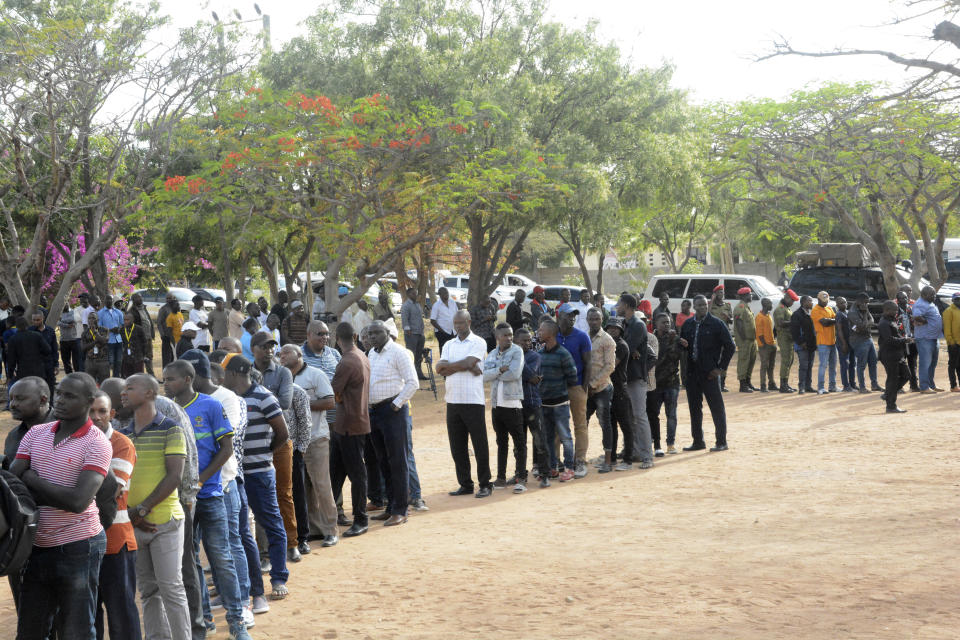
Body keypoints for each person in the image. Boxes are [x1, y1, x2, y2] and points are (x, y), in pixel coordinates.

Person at [11, 372, 111, 640]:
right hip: (37, 545)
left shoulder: (97, 442)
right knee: (30, 630)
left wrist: (32, 479)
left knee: (76, 630)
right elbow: (12, 482)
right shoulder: (36, 433)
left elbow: (78, 501)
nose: (61, 401)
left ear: (89, 401)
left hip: (79, 545)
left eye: (70, 396)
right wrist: (48, 491)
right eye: (60, 394)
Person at [162, 358, 252, 640]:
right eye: (164, 380)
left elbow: (226, 449)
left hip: (211, 494)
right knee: (189, 561)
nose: (166, 385)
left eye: (170, 380)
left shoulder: (211, 406)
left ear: (188, 379)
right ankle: (204, 620)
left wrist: (200, 481)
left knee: (221, 557)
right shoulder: (167, 412)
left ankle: (236, 620)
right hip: (180, 500)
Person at [117, 374, 192, 640]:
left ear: (149, 393)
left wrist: (142, 510)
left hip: (164, 521)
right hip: (133, 522)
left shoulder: (170, 428)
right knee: (148, 590)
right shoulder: (122, 434)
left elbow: (174, 476)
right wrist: (131, 515)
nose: (123, 393)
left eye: (130, 387)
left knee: (171, 588)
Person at [221, 354, 291, 600]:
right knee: (240, 531)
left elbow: (283, 433)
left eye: (223, 373)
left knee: (271, 523)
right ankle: (247, 583)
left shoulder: (263, 397)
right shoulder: (228, 399)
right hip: (236, 475)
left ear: (233, 374)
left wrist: (265, 453)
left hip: (259, 472)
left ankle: (279, 576)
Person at [88, 391, 142, 640]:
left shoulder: (121, 443)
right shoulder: (78, 441)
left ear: (112, 414)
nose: (96, 416)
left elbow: (112, 489)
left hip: (117, 542)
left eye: (102, 411)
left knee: (121, 614)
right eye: (91, 411)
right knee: (89, 615)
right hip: (84, 542)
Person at [278, 344, 339, 549]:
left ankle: (331, 530)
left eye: (287, 352)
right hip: (292, 444)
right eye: (281, 353)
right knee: (303, 489)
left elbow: (330, 402)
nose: (282, 355)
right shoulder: (281, 377)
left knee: (322, 485)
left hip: (316, 438)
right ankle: (314, 529)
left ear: (299, 354)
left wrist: (300, 403)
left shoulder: (316, 374)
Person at [365, 321, 418, 525]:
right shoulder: (371, 354)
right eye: (370, 334)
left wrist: (396, 405)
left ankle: (401, 510)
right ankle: (390, 506)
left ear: (388, 333)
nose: (373, 337)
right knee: (383, 461)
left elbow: (412, 382)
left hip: (393, 411)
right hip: (374, 412)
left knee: (398, 460)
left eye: (377, 333)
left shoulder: (398, 352)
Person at [435, 310, 492, 497]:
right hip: (452, 400)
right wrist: (465, 367)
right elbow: (439, 368)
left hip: (473, 400)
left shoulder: (478, 341)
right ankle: (465, 484)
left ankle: (485, 484)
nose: (458, 326)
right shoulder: (449, 344)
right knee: (457, 447)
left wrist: (452, 367)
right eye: (455, 323)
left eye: (461, 322)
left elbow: (468, 363)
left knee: (479, 444)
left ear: (469, 322)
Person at [329, 323, 372, 537]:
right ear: (354, 336)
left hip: (349, 425)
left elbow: (332, 393)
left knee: (355, 473)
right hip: (351, 422)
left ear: (337, 339)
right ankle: (328, 519)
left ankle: (361, 518)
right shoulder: (362, 356)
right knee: (336, 473)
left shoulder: (346, 361)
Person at [678, 295, 735, 452]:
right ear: (694, 307)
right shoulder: (688, 324)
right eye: (699, 305)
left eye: (704, 305)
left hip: (710, 373)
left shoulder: (717, 324)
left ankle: (721, 442)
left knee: (716, 408)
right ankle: (698, 441)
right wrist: (681, 344)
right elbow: (683, 347)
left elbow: (730, 346)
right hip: (692, 373)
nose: (702, 307)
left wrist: (720, 368)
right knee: (694, 409)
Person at [483, 323, 527, 492]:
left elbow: (515, 374)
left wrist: (495, 372)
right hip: (496, 405)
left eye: (510, 335)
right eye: (505, 335)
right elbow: (483, 376)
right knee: (501, 442)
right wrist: (500, 370)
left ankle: (521, 478)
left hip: (513, 403)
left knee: (519, 442)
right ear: (497, 337)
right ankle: (501, 478)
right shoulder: (493, 353)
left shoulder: (517, 351)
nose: (509, 338)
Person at [535, 320, 578, 481]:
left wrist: (558, 387)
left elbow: (572, 377)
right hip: (544, 403)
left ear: (551, 334)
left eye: (541, 330)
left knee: (565, 436)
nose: (538, 332)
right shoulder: (539, 354)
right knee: (548, 438)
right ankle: (552, 468)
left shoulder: (563, 354)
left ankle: (569, 469)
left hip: (560, 404)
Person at [617, 294, 654, 469]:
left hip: (636, 376)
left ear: (626, 305)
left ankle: (647, 456)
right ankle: (635, 451)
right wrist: (629, 351)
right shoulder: (624, 323)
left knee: (639, 416)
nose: (617, 306)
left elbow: (624, 348)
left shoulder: (638, 325)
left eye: (619, 304)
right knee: (631, 417)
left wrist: (630, 351)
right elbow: (625, 347)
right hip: (626, 376)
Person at [555, 302, 592, 477]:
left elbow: (588, 363)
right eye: (568, 315)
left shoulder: (582, 336)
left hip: (576, 386)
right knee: (556, 425)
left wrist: (583, 387)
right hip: (556, 388)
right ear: (558, 316)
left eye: (573, 315)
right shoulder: (553, 335)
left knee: (580, 425)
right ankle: (556, 462)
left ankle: (580, 461)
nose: (572, 318)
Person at [516, 328, 550, 488]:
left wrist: (515, 361)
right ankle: (520, 475)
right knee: (519, 443)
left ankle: (545, 474)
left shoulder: (535, 356)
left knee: (539, 440)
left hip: (532, 403)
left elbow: (530, 376)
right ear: (515, 341)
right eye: (524, 340)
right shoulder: (511, 355)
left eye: (529, 340)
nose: (528, 343)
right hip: (515, 404)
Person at [585, 308, 617, 468]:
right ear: (587, 320)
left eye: (597, 319)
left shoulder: (607, 340)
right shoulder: (583, 337)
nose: (593, 322)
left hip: (602, 388)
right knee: (581, 423)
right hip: (585, 388)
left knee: (605, 423)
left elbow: (610, 366)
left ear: (601, 320)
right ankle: (580, 458)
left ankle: (608, 460)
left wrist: (593, 384)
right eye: (591, 319)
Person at [647, 314, 682, 456]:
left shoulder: (675, 339)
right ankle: (656, 444)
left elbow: (679, 356)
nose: (666, 325)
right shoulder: (650, 339)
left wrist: (676, 340)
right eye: (663, 322)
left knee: (671, 415)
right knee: (653, 415)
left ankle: (670, 443)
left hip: (672, 382)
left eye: (668, 322)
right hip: (655, 383)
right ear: (656, 323)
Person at [603, 318, 634, 471]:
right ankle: (613, 458)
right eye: (610, 328)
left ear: (621, 330)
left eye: (616, 328)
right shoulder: (608, 344)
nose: (613, 330)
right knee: (611, 426)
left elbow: (611, 366)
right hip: (609, 390)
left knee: (626, 426)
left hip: (620, 390)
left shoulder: (621, 345)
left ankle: (628, 459)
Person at [878, 301, 912, 413]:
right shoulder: (883, 323)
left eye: (897, 310)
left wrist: (903, 337)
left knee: (907, 375)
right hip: (889, 355)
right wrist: (904, 340)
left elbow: (895, 335)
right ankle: (891, 406)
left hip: (897, 354)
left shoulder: (891, 320)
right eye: (894, 310)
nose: (896, 312)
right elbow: (889, 340)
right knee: (892, 379)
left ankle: (888, 394)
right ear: (887, 310)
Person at [847, 292, 881, 394]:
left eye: (868, 303)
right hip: (859, 340)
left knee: (873, 362)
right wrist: (866, 316)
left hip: (868, 338)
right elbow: (862, 326)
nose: (867, 305)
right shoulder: (852, 312)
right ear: (859, 301)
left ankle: (874, 385)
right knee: (861, 365)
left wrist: (867, 322)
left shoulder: (864, 307)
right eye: (865, 302)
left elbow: (872, 320)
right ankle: (862, 387)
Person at [913, 285, 944, 393]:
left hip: (933, 337)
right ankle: (924, 387)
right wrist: (925, 322)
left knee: (932, 363)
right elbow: (916, 316)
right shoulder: (920, 303)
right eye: (932, 294)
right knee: (925, 363)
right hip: (925, 338)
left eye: (934, 294)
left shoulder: (929, 302)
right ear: (924, 295)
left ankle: (931, 385)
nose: (934, 296)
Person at [7, 315, 52, 385]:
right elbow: (48, 350)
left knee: (26, 393)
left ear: (16, 326)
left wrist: (9, 376)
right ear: (27, 325)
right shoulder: (37, 335)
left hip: (23, 372)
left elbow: (11, 360)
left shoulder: (13, 339)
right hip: (39, 371)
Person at [811, 291, 838, 394]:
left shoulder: (829, 308)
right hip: (823, 342)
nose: (825, 303)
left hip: (832, 341)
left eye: (827, 300)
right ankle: (821, 387)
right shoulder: (815, 310)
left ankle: (832, 386)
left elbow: (834, 319)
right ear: (818, 300)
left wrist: (832, 320)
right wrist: (834, 320)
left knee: (833, 365)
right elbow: (824, 323)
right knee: (823, 365)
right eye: (823, 301)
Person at [790, 295, 817, 394]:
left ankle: (808, 386)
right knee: (804, 366)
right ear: (803, 302)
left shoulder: (809, 314)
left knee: (809, 366)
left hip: (810, 345)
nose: (811, 303)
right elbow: (794, 331)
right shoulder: (797, 315)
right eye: (809, 301)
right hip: (802, 346)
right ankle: (801, 387)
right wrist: (801, 343)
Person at [707, 284, 733, 391]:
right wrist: (711, 301)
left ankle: (722, 383)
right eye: (720, 292)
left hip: (724, 336)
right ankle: (713, 382)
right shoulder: (710, 305)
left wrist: (728, 317)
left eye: (723, 292)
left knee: (724, 358)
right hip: (713, 336)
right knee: (713, 358)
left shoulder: (727, 305)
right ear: (715, 294)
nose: (722, 294)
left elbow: (731, 320)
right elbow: (706, 316)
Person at [733, 287, 757, 392]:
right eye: (749, 294)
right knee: (744, 361)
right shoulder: (740, 307)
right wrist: (743, 338)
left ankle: (748, 382)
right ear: (744, 296)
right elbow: (739, 324)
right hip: (745, 340)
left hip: (751, 339)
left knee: (751, 361)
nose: (751, 296)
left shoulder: (746, 307)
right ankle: (742, 385)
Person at [773, 290, 798, 393]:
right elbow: (780, 323)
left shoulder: (786, 308)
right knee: (786, 361)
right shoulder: (780, 309)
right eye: (792, 300)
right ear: (787, 298)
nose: (793, 303)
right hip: (784, 338)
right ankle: (783, 386)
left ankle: (786, 383)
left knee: (789, 361)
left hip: (789, 338)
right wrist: (794, 323)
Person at [400, 288, 428, 380]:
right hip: (411, 334)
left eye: (416, 293)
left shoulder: (417, 305)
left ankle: (419, 374)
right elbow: (405, 319)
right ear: (408, 295)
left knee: (419, 355)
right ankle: (410, 376)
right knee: (411, 355)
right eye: (413, 294)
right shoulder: (406, 306)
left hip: (420, 333)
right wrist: (408, 331)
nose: (415, 295)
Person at [29, 311, 58, 398]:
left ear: (43, 319)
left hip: (49, 363)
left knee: (50, 386)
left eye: (38, 320)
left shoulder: (50, 331)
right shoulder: (30, 331)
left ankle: (51, 406)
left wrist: (56, 365)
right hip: (36, 364)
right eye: (33, 320)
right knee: (37, 387)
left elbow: (54, 349)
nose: (35, 322)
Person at [896, 290, 920, 391]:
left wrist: (914, 336)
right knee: (900, 364)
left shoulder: (910, 309)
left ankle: (914, 386)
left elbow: (914, 323)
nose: (904, 299)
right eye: (901, 298)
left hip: (911, 340)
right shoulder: (895, 310)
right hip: (901, 341)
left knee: (913, 363)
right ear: (897, 300)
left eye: (905, 297)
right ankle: (898, 386)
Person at [97, 296, 124, 378]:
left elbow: (123, 325)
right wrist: (110, 330)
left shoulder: (118, 312)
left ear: (113, 301)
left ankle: (116, 379)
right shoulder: (100, 313)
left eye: (111, 299)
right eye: (107, 299)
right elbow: (99, 327)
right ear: (104, 301)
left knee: (118, 361)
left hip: (118, 340)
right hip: (108, 341)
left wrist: (119, 329)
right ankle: (107, 380)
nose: (109, 301)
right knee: (109, 362)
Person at [129, 293, 156, 376]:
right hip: (139, 339)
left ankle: (151, 376)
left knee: (149, 357)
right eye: (138, 298)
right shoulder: (132, 311)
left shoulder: (144, 308)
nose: (141, 299)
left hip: (148, 337)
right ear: (133, 300)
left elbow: (148, 321)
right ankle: (141, 376)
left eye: (141, 298)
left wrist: (152, 333)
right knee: (140, 358)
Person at [755, 298, 777, 392]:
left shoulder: (768, 315)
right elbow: (759, 334)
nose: (771, 306)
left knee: (771, 365)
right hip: (765, 345)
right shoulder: (759, 317)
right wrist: (764, 344)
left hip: (772, 344)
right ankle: (763, 385)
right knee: (764, 365)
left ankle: (771, 383)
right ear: (765, 305)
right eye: (770, 304)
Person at [834, 296, 856, 392]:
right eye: (841, 303)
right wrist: (844, 344)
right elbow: (839, 330)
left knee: (852, 364)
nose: (844, 304)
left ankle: (852, 384)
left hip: (851, 342)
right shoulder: (839, 314)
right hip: (843, 343)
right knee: (844, 364)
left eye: (845, 302)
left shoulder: (847, 313)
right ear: (837, 305)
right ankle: (846, 386)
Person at [429, 287, 458, 354]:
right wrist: (443, 331)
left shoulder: (452, 302)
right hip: (442, 333)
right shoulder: (436, 305)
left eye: (447, 293)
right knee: (444, 351)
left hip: (453, 331)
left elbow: (457, 315)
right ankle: (444, 364)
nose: (446, 294)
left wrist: (457, 329)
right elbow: (432, 320)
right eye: (444, 293)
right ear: (440, 295)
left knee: (453, 351)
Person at [121, 311, 149, 377]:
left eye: (127, 320)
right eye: (124, 320)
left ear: (132, 320)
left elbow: (144, 342)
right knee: (128, 376)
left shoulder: (139, 329)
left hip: (138, 357)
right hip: (126, 358)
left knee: (139, 376)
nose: (125, 321)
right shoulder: (122, 330)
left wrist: (144, 355)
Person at [59, 300, 82, 374]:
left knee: (76, 361)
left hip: (74, 339)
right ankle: (69, 377)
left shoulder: (73, 311)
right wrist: (67, 325)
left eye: (66, 302)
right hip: (63, 340)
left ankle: (78, 376)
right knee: (66, 361)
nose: (64, 304)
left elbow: (74, 319)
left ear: (68, 303)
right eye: (63, 303)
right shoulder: (59, 312)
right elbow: (57, 322)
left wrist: (62, 321)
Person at [943, 292, 960, 391]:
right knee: (953, 365)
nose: (959, 301)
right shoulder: (948, 311)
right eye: (956, 299)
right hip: (954, 343)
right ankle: (953, 385)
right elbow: (947, 328)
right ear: (953, 300)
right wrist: (951, 341)